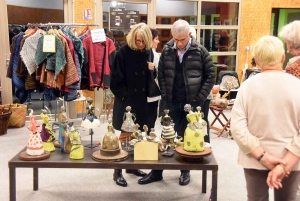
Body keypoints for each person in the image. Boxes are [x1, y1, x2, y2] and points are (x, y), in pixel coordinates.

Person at [138, 19, 215, 186]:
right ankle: (157, 172)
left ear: (189, 35)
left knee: (186, 138)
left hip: (192, 103)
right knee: (165, 137)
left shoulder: (200, 51)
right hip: (171, 102)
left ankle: (185, 171)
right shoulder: (167, 50)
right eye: (176, 39)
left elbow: (210, 76)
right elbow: (162, 74)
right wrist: (165, 94)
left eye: (182, 40)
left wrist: (200, 97)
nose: (179, 44)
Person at [231, 35, 300, 201]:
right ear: (283, 58)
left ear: (257, 61)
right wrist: (285, 164)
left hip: (254, 159)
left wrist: (263, 157)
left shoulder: (247, 87)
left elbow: (237, 129)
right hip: (290, 162)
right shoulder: (297, 86)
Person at [110, 23, 155, 187]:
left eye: (143, 41)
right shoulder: (122, 53)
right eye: (138, 41)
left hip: (141, 101)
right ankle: (117, 171)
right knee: (124, 138)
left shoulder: (147, 52)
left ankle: (132, 167)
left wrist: (152, 70)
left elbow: (150, 79)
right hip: (126, 102)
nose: (140, 44)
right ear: (132, 38)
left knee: (137, 137)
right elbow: (115, 81)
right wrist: (126, 96)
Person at [147, 28, 161, 134]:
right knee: (150, 119)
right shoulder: (153, 54)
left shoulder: (154, 53)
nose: (158, 41)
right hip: (151, 94)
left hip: (151, 94)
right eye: (156, 39)